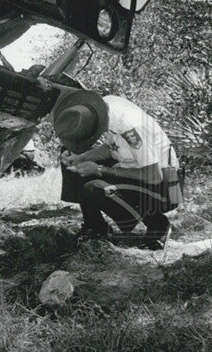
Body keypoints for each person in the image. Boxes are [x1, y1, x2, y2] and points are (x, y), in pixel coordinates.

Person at [53, 89, 179, 250]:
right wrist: (81, 157)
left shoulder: (129, 128)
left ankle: (157, 222)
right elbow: (113, 147)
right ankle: (96, 228)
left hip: (166, 185)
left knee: (94, 188)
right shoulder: (106, 107)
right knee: (72, 158)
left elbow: (154, 176)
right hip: (138, 168)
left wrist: (99, 169)